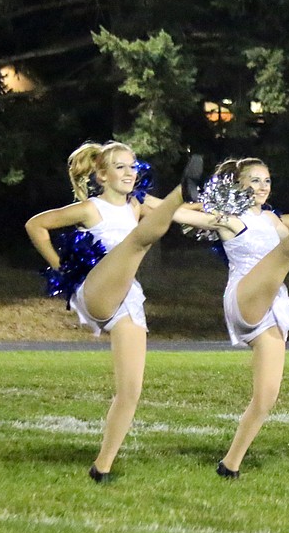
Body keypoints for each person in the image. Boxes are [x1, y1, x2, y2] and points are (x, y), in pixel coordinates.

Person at [25, 142, 202, 483]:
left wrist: (223, 220)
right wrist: (60, 267)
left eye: (133, 166)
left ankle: (102, 467)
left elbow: (184, 216)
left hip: (127, 298)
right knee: (138, 242)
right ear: (102, 175)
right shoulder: (91, 208)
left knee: (131, 390)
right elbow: (36, 225)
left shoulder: (137, 204)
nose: (129, 172)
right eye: (120, 167)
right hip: (95, 289)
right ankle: (182, 188)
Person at [173, 157, 289, 478]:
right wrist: (186, 198)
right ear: (238, 185)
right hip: (244, 298)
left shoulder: (271, 219)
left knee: (266, 398)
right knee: (286, 253)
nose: (263, 187)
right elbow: (180, 216)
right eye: (254, 180)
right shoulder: (231, 219)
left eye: (266, 180)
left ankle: (230, 464)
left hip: (272, 305)